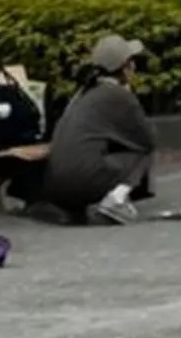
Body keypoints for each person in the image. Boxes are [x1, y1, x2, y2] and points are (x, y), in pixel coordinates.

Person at [38, 33, 158, 225]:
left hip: (54, 185)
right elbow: (146, 139)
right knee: (143, 151)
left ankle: (76, 209)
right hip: (82, 181)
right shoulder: (118, 95)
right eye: (131, 62)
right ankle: (115, 201)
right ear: (125, 68)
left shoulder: (83, 93)